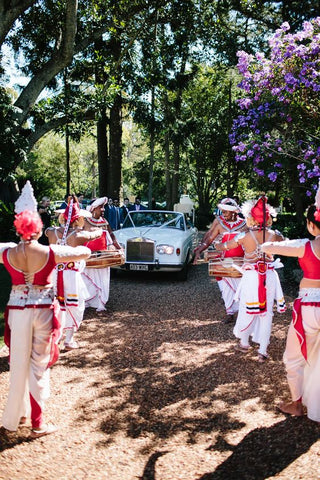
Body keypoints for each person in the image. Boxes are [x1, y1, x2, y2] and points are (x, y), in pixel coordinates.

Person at [0, 181, 91, 437]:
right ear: (38, 228)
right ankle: (37, 423)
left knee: (18, 363)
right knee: (38, 365)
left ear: (18, 229)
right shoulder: (51, 252)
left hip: (17, 311)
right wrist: (78, 247)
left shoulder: (7, 252)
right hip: (42, 311)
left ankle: (15, 416)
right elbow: (83, 252)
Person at [261, 184, 320, 421]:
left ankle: (297, 404)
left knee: (294, 356)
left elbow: (270, 246)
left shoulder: (305, 246)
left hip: (308, 308)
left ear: (311, 224)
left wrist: (265, 247)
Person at [215, 196, 286, 362]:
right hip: (269, 275)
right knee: (267, 312)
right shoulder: (275, 235)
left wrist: (217, 245)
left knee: (248, 307)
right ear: (268, 217)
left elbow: (225, 246)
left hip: (252, 276)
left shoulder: (243, 236)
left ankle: (245, 342)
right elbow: (286, 245)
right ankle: (262, 350)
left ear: (251, 218)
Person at [46, 195, 103, 350]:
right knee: (74, 305)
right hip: (70, 275)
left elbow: (46, 231)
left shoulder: (51, 232)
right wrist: (98, 228)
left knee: (56, 304)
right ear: (78, 219)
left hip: (54, 273)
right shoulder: (78, 236)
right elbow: (95, 234)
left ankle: (54, 337)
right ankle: (68, 340)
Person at [193, 198, 247, 323]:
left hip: (240, 263)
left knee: (243, 288)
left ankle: (244, 313)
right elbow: (208, 239)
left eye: (225, 212)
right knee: (225, 289)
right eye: (222, 212)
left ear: (234, 212)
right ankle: (230, 312)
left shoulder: (244, 225)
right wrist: (199, 250)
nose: (223, 215)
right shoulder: (221, 225)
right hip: (224, 262)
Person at [82, 197, 122, 311]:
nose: (103, 210)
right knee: (86, 279)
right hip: (88, 258)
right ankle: (86, 302)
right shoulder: (84, 221)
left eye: (103, 207)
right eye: (101, 207)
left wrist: (120, 249)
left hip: (103, 257)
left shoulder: (105, 222)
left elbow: (112, 237)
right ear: (94, 209)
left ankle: (100, 303)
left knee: (102, 280)